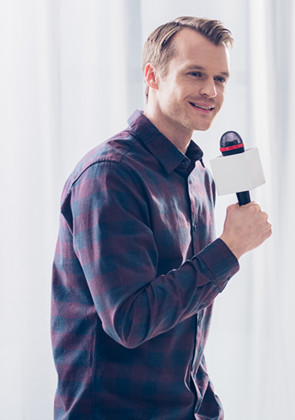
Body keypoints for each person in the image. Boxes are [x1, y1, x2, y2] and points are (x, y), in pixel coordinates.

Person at [51, 16, 271, 419]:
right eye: (195, 74)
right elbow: (130, 322)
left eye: (221, 79)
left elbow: (187, 314)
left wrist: (205, 402)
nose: (211, 91)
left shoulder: (199, 176)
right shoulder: (109, 176)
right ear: (152, 75)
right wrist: (229, 249)